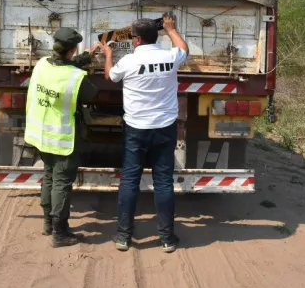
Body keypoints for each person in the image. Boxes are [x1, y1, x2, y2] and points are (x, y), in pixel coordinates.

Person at [101, 13, 189, 253]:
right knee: (163, 182)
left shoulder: (129, 61)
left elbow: (110, 76)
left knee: (130, 180)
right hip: (164, 128)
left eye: (133, 37)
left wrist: (108, 54)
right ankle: (167, 239)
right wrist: (171, 29)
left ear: (137, 40)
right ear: (155, 36)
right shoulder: (170, 57)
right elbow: (184, 49)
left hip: (136, 129)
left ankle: (123, 237)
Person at [25, 27, 99, 248]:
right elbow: (91, 93)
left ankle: (48, 223)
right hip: (62, 138)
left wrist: (84, 58)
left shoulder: (41, 65)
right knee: (62, 183)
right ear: (72, 50)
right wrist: (84, 63)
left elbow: (62, 68)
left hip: (41, 136)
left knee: (48, 176)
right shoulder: (76, 77)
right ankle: (60, 233)